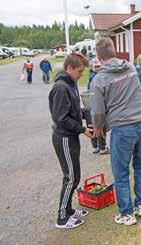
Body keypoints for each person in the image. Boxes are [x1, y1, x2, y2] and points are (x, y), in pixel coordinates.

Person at [91, 37, 141, 226]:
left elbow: (98, 111)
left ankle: (126, 214)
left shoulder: (99, 79)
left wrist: (98, 129)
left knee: (121, 172)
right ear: (114, 52)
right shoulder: (131, 68)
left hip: (123, 126)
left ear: (99, 57)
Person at [49, 53, 93, 229]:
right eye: (79, 71)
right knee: (70, 177)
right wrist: (82, 129)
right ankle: (61, 218)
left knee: (75, 176)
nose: (81, 74)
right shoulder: (60, 87)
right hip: (64, 137)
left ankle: (68, 210)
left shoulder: (71, 84)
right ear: (70, 68)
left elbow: (73, 111)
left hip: (71, 136)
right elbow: (61, 118)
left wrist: (86, 113)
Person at [85, 59, 109, 155]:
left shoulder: (96, 76)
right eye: (96, 67)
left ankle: (95, 146)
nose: (98, 68)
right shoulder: (95, 77)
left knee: (93, 124)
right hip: (96, 103)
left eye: (99, 66)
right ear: (92, 67)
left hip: (91, 103)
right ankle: (101, 147)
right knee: (99, 124)